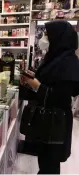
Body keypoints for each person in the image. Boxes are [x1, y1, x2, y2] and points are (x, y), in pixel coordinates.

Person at [20, 21, 79, 174]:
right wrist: (33, 78)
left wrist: (35, 84)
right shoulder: (54, 57)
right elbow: (49, 81)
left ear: (58, 37)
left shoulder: (69, 62)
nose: (44, 37)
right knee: (45, 162)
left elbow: (60, 97)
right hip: (46, 124)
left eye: (47, 34)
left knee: (50, 165)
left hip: (56, 125)